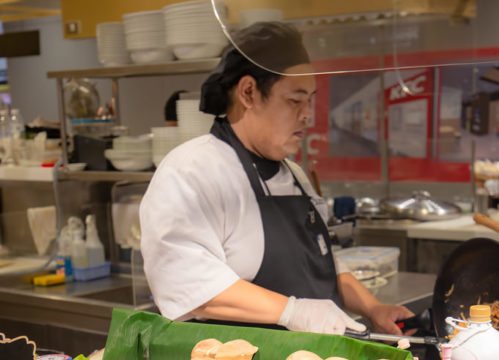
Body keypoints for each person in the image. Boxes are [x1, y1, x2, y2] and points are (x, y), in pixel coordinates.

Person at [139, 22, 412, 335]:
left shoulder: (293, 174)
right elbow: (193, 287)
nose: (308, 114)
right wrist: (295, 312)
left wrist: (373, 308)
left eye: (310, 99)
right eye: (295, 100)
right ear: (248, 93)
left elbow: (322, 263)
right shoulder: (191, 170)